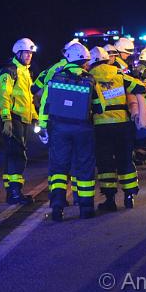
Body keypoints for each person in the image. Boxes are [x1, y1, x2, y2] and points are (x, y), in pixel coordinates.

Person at [38, 43, 104, 222]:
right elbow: (100, 107)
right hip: (83, 129)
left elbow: (45, 104)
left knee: (58, 169)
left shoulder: (56, 77)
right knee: (84, 168)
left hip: (59, 129)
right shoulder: (90, 80)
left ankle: (58, 207)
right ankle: (86, 209)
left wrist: (43, 125)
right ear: (84, 61)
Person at [88, 46, 146, 211]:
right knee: (125, 159)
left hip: (101, 126)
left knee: (105, 162)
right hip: (122, 124)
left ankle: (110, 200)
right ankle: (129, 196)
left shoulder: (89, 77)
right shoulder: (119, 74)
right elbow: (140, 87)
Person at [0, 38, 38, 205]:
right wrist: (6, 119)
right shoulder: (10, 71)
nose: (29, 56)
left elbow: (29, 98)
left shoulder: (26, 72)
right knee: (17, 155)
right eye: (26, 53)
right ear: (18, 53)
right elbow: (3, 96)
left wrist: (35, 116)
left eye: (31, 53)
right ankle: (15, 193)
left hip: (22, 119)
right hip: (13, 118)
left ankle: (11, 192)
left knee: (13, 154)